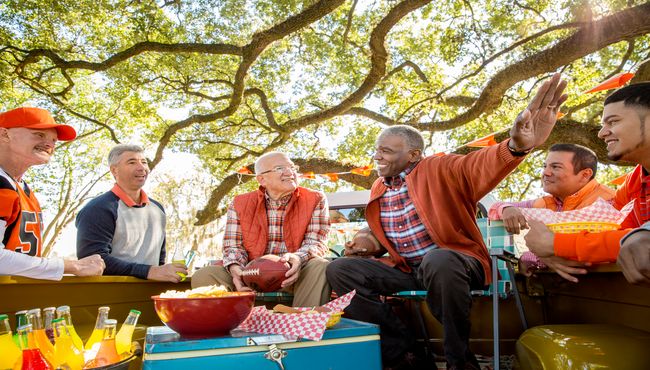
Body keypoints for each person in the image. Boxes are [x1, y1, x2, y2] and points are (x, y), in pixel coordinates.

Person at [327, 74, 568, 370]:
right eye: (377, 150)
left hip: (457, 264)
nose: (378, 155)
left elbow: (478, 164)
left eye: (387, 151)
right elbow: (385, 231)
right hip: (410, 270)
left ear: (414, 154)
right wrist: (366, 241)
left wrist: (516, 146)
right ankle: (406, 354)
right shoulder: (380, 188)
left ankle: (460, 360)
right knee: (340, 269)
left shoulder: (441, 167)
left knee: (439, 260)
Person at [525, 82, 650, 287]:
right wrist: (545, 252)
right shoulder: (634, 183)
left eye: (613, 122)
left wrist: (556, 244)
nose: (601, 133)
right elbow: (610, 236)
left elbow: (638, 243)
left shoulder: (603, 194)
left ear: (585, 175)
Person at [191, 152, 331, 307]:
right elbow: (233, 245)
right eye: (279, 168)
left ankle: (303, 325)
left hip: (295, 273)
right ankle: (228, 327)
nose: (290, 172)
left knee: (320, 266)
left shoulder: (315, 198)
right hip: (251, 274)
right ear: (261, 179)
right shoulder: (239, 203)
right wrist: (236, 268)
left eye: (292, 167)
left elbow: (316, 242)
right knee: (205, 275)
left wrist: (297, 259)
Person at [0, 107, 105, 280]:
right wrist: (70, 265)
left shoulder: (22, 188)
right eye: (39, 135)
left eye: (54, 140)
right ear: (5, 134)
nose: (49, 144)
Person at [489, 143, 614, 281]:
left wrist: (533, 257)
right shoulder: (546, 202)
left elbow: (591, 249)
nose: (545, 173)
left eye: (555, 167)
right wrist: (507, 208)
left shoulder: (608, 201)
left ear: (585, 175)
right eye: (545, 166)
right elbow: (494, 207)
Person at [76, 144, 187, 282]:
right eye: (132, 162)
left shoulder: (158, 209)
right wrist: (149, 271)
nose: (141, 168)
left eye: (144, 162)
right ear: (114, 170)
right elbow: (92, 260)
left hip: (151, 293)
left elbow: (159, 259)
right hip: (111, 294)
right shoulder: (98, 209)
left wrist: (159, 272)